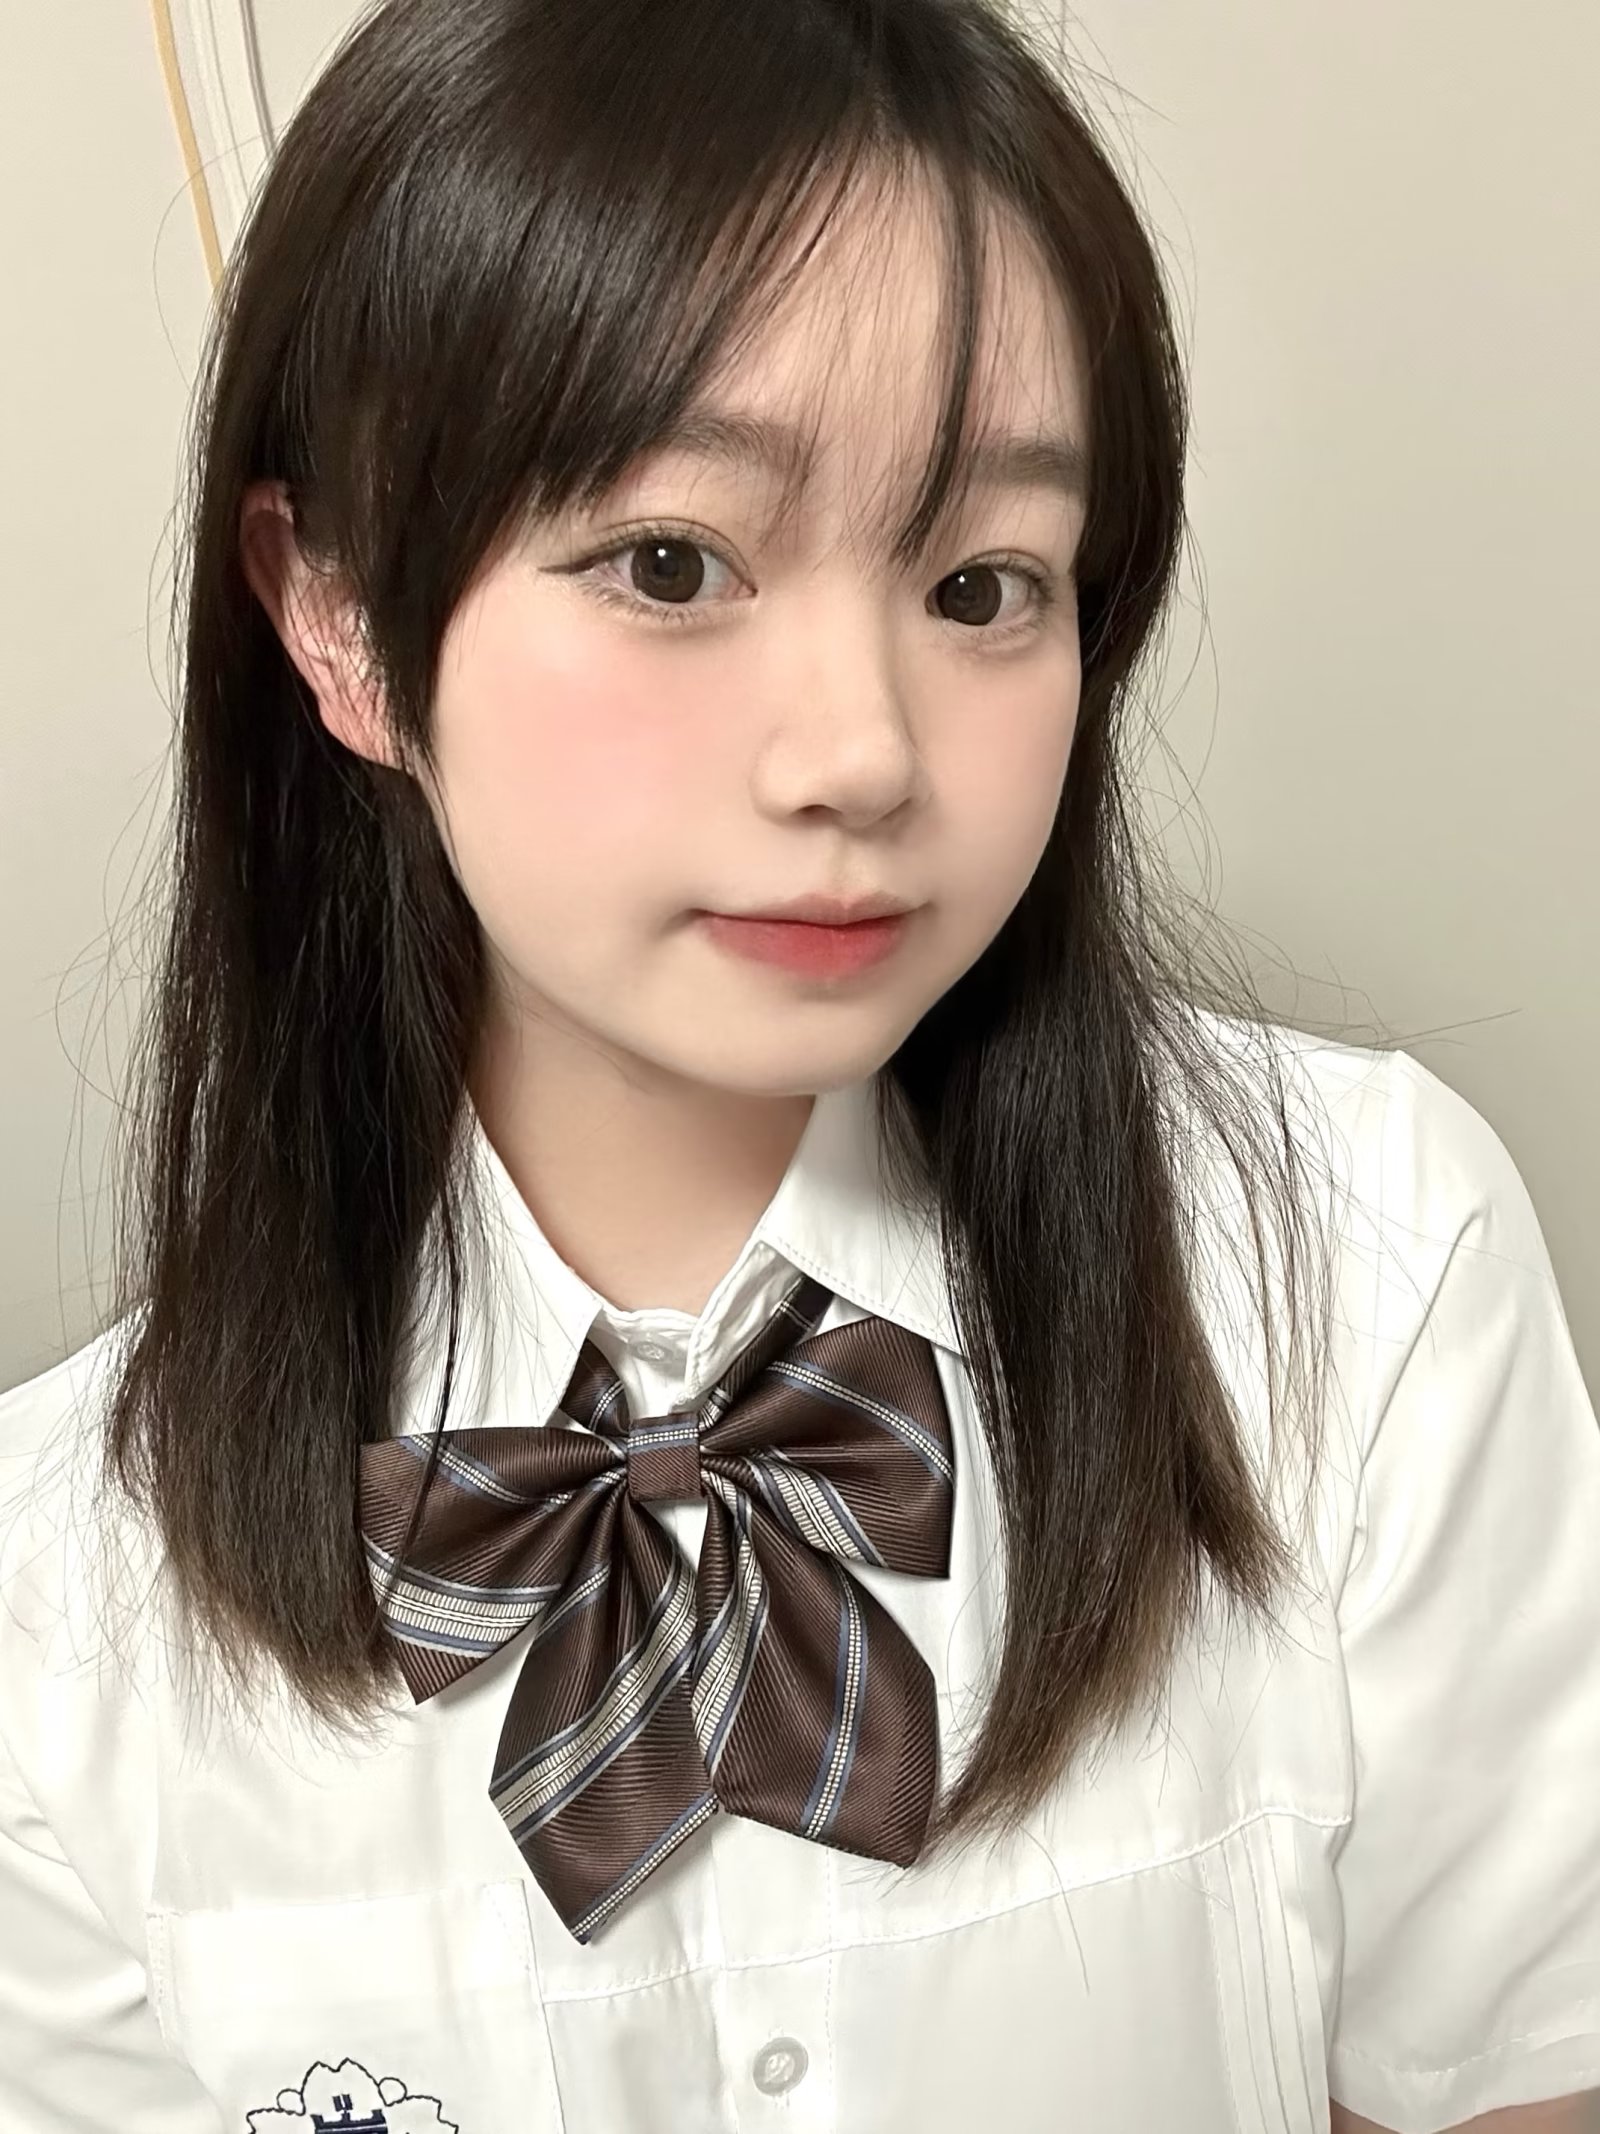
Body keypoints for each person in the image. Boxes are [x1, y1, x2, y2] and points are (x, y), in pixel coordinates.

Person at [3, 0, 1597, 2127]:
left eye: (982, 582)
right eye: (670, 562)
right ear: (342, 619)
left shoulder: (1367, 1274)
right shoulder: (53, 1613)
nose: (860, 750)